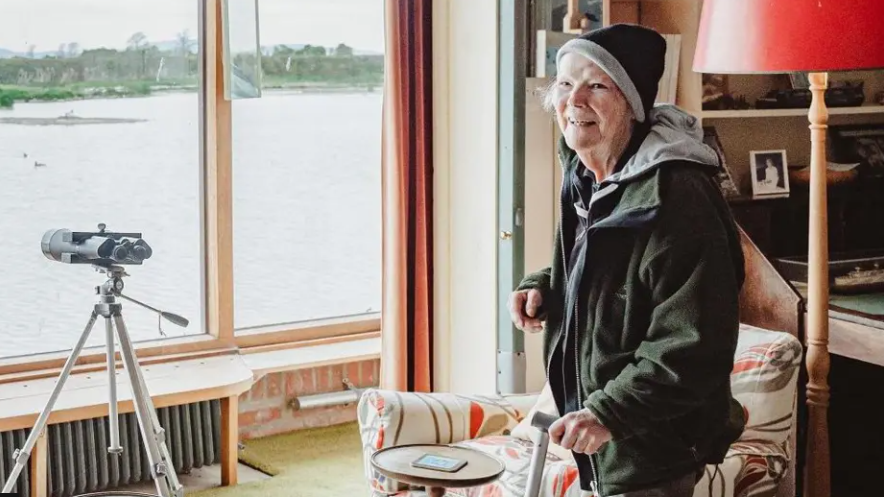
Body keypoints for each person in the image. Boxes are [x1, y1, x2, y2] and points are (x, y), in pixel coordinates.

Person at [508, 24, 746, 497]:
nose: (574, 101)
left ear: (633, 104)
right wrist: (546, 285)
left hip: (653, 442)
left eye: (597, 85)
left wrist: (609, 413)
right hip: (608, 435)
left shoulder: (678, 198)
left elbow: (692, 346)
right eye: (565, 83)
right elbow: (606, 269)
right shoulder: (588, 170)